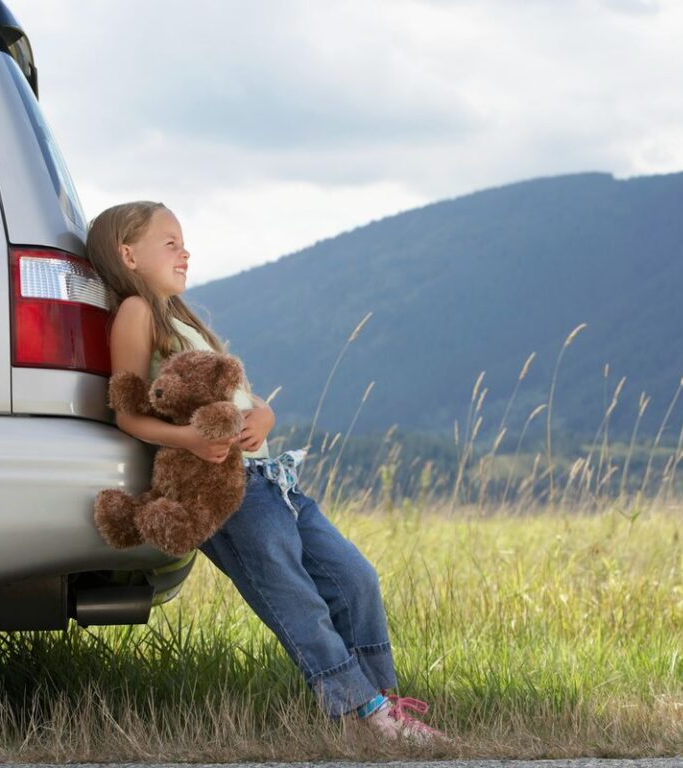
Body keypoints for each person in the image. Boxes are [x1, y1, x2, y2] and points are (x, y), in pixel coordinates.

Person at [85, 200, 448, 744]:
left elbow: (236, 394)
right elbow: (129, 413)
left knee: (354, 578)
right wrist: (190, 439)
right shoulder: (136, 312)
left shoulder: (182, 317)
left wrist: (266, 412)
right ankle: (361, 710)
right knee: (293, 593)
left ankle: (385, 709)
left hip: (271, 480)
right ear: (127, 253)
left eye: (183, 241)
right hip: (225, 491)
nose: (184, 251)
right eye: (170, 242)